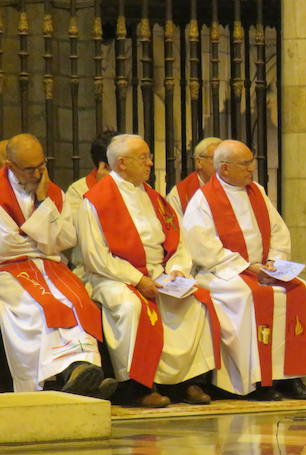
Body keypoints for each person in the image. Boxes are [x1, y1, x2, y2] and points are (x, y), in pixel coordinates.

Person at [77, 134, 221, 408]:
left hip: (157, 272)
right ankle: (136, 386)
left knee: (193, 301)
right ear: (121, 163)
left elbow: (178, 241)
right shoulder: (95, 202)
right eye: (143, 157)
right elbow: (96, 258)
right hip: (114, 277)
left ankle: (184, 381)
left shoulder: (152, 196)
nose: (150, 163)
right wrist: (138, 279)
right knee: (131, 306)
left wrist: (178, 270)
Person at [181, 139, 306, 401]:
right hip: (221, 272)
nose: (252, 169)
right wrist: (247, 267)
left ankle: (291, 376)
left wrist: (274, 262)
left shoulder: (256, 192)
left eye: (252, 161)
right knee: (250, 296)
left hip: (262, 270)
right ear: (224, 169)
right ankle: (259, 380)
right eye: (245, 164)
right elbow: (202, 247)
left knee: (301, 291)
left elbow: (279, 232)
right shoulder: (203, 200)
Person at [0, 133, 114, 397]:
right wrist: (42, 239)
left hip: (50, 266)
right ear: (10, 165)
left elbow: (66, 238)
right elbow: (7, 245)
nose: (37, 173)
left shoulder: (52, 192)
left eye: (41, 165)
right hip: (9, 269)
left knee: (77, 301)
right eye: (29, 169)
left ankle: (82, 369)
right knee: (36, 307)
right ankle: (62, 378)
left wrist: (42, 203)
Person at [61, 129, 118, 282]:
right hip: (93, 271)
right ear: (105, 165)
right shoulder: (77, 190)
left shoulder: (135, 186)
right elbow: (77, 236)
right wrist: (101, 192)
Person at [166, 136, 222, 218]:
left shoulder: (235, 187)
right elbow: (177, 227)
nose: (222, 165)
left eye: (225, 159)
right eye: (215, 159)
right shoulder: (179, 194)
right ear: (199, 162)